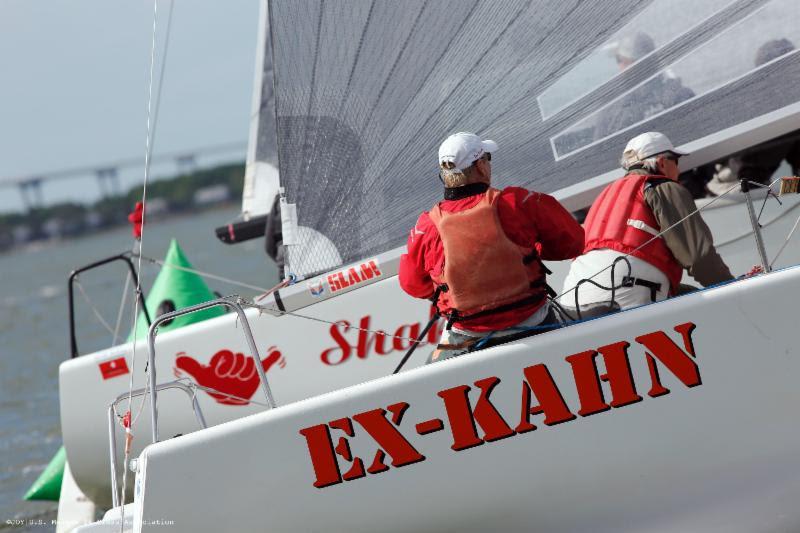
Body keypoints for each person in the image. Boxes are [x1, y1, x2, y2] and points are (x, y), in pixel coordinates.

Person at [399, 132, 584, 363]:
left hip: (468, 338)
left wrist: (455, 285)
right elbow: (573, 243)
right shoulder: (517, 202)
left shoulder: (426, 226)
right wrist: (525, 253)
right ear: (480, 167)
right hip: (536, 323)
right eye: (487, 158)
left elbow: (413, 284)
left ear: (444, 175)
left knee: (428, 371)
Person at [561, 131, 733, 317]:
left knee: (688, 294)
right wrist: (734, 287)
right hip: (622, 303)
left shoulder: (604, 196)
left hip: (572, 304)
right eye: (676, 161)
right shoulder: (663, 188)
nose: (679, 170)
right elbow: (700, 259)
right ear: (662, 163)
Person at [704, 39, 799, 197]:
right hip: (727, 189)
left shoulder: (790, 109)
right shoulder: (748, 103)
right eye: (791, 66)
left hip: (759, 184)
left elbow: (797, 161)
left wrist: (794, 188)